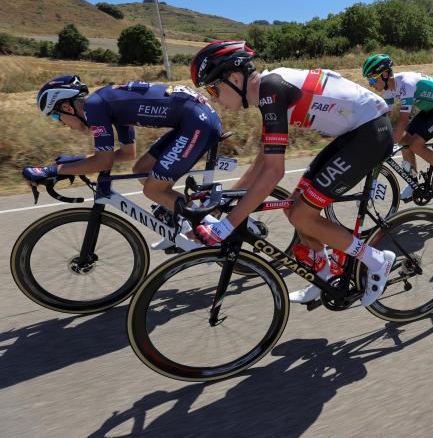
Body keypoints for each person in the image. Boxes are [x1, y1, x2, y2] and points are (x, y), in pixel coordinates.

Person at [189, 40, 395, 306]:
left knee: (302, 214)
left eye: (213, 88)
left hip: (371, 133)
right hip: (355, 132)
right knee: (293, 210)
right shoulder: (268, 92)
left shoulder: (271, 90)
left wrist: (228, 225)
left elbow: (274, 172)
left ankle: (376, 260)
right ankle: (324, 273)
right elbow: (264, 159)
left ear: (235, 78)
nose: (215, 98)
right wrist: (221, 206)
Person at [24, 75, 222, 215]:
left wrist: (53, 170)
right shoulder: (105, 101)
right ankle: (185, 215)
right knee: (142, 169)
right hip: (194, 119)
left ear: (67, 107)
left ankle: (210, 228)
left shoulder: (95, 107)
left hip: (197, 123)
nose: (61, 123)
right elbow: (128, 153)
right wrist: (76, 162)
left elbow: (103, 161)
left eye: (57, 116)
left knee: (154, 190)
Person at [361, 54, 433, 200]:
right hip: (430, 110)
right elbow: (384, 118)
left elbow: (403, 120)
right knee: (403, 139)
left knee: (415, 144)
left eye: (373, 79)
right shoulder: (389, 89)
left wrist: (388, 144)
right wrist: (376, 135)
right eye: (369, 80)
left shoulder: (406, 83)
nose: (370, 84)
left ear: (386, 74)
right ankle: (413, 181)